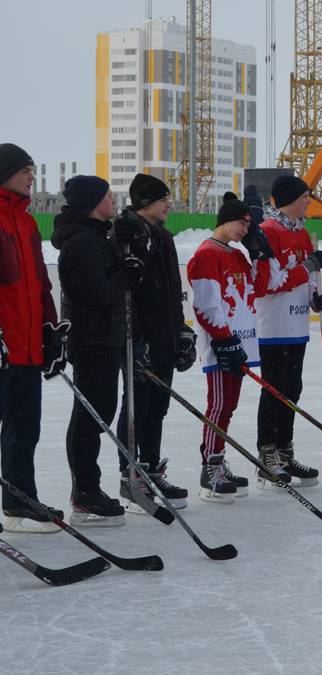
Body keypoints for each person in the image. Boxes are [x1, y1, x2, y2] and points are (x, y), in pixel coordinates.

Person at [53, 175, 142, 525]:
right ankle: (85, 491)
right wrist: (126, 274)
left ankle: (89, 488)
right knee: (90, 416)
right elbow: (99, 293)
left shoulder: (97, 237)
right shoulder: (82, 243)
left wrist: (122, 254)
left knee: (99, 412)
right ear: (92, 203)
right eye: (107, 196)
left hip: (105, 337)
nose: (114, 200)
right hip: (92, 340)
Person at [113, 173, 193, 511]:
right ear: (145, 203)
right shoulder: (125, 233)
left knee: (157, 406)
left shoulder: (163, 236)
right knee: (137, 406)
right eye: (163, 199)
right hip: (140, 337)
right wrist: (136, 340)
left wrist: (182, 331)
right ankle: (130, 474)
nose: (169, 204)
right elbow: (128, 289)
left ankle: (151, 466)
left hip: (163, 335)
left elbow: (172, 290)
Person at [0, 143, 67, 533]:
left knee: (25, 428)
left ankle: (19, 502)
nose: (32, 178)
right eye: (26, 171)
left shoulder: (26, 223)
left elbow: (40, 284)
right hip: (4, 345)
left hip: (25, 347)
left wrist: (48, 328)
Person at [248, 176, 322, 489]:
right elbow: (271, 282)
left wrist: (315, 296)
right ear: (290, 199)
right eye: (305, 196)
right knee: (275, 389)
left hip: (297, 326)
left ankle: (284, 450)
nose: (309, 201)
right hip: (274, 325)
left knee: (293, 388)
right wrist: (306, 269)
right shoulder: (268, 231)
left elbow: (309, 275)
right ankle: (267, 455)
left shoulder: (302, 232)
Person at [188, 199, 262, 503]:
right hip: (222, 345)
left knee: (229, 405)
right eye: (241, 223)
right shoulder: (207, 255)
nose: (244, 229)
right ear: (225, 220)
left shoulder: (238, 255)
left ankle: (219, 459)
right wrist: (224, 339)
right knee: (218, 405)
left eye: (248, 224)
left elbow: (257, 288)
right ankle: (210, 467)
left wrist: (259, 256)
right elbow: (206, 304)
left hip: (240, 343)